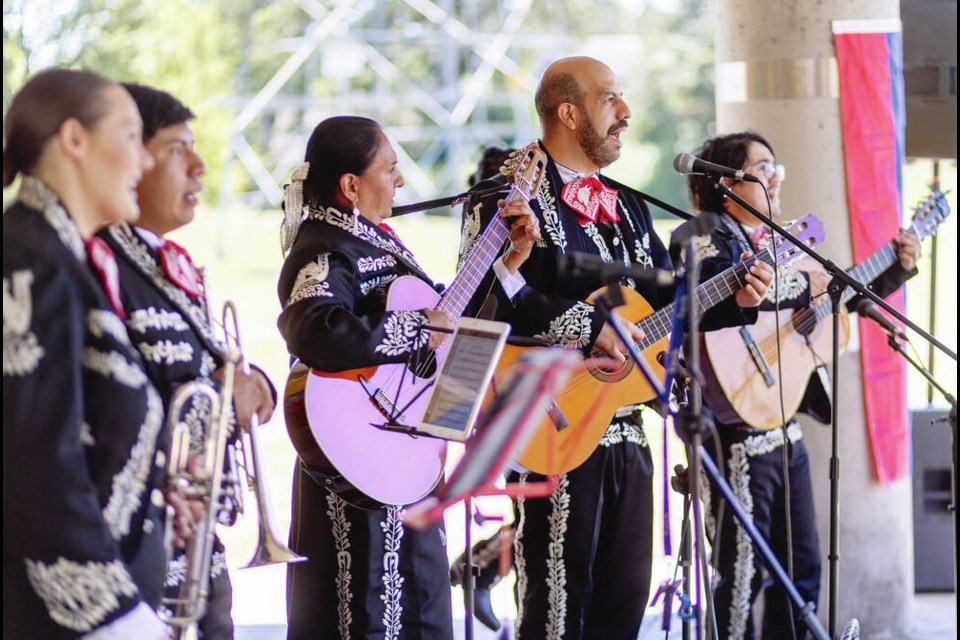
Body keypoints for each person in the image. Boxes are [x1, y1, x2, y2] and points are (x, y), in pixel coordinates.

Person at [458, 56, 773, 640]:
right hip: (550, 422)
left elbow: (665, 302)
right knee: (554, 613)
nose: (626, 113)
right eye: (611, 100)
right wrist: (585, 324)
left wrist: (738, 296)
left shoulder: (625, 204)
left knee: (622, 610)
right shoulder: (510, 191)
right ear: (569, 111)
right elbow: (481, 299)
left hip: (629, 427)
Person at [276, 116, 539, 639]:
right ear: (350, 185)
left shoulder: (375, 239)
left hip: (406, 454)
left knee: (424, 609)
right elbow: (313, 329)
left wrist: (506, 263)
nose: (399, 182)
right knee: (361, 615)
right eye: (390, 169)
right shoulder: (325, 246)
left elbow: (449, 335)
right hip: (356, 465)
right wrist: (416, 327)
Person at [673, 131, 920, 640]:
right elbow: (721, 289)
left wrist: (893, 269)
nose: (776, 177)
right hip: (733, 432)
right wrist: (805, 289)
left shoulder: (779, 242)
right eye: (763, 168)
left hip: (782, 426)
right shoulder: (700, 232)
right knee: (740, 576)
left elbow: (830, 298)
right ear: (726, 184)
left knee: (801, 569)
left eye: (776, 167)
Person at [97, 82, 277, 639]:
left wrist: (255, 387)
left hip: (199, 538)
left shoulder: (163, 261)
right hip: (142, 542)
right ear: (128, 155)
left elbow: (203, 363)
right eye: (178, 149)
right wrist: (225, 400)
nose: (199, 167)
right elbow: (114, 411)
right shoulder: (98, 261)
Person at [3, 68, 174, 639]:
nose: (144, 161)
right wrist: (116, 620)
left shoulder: (57, 253)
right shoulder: (28, 257)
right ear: (74, 139)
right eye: (130, 136)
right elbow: (31, 460)